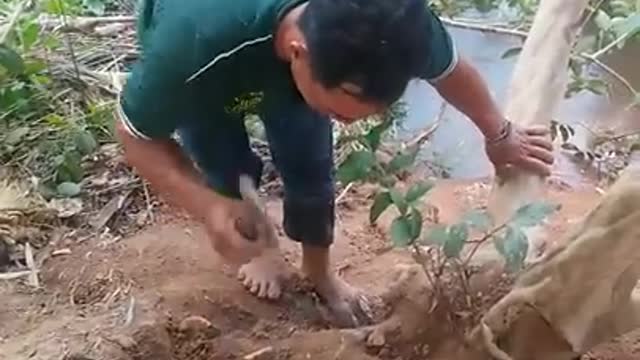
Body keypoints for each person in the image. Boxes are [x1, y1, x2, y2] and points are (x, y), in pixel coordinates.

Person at [115, 0, 554, 327]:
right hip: (215, 62)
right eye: (346, 110)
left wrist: (500, 135)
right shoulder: (193, 45)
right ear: (297, 51)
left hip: (293, 63)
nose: (362, 119)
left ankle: (318, 272)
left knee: (309, 161)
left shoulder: (390, 21)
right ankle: (262, 252)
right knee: (221, 156)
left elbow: (450, 70)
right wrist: (209, 207)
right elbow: (135, 134)